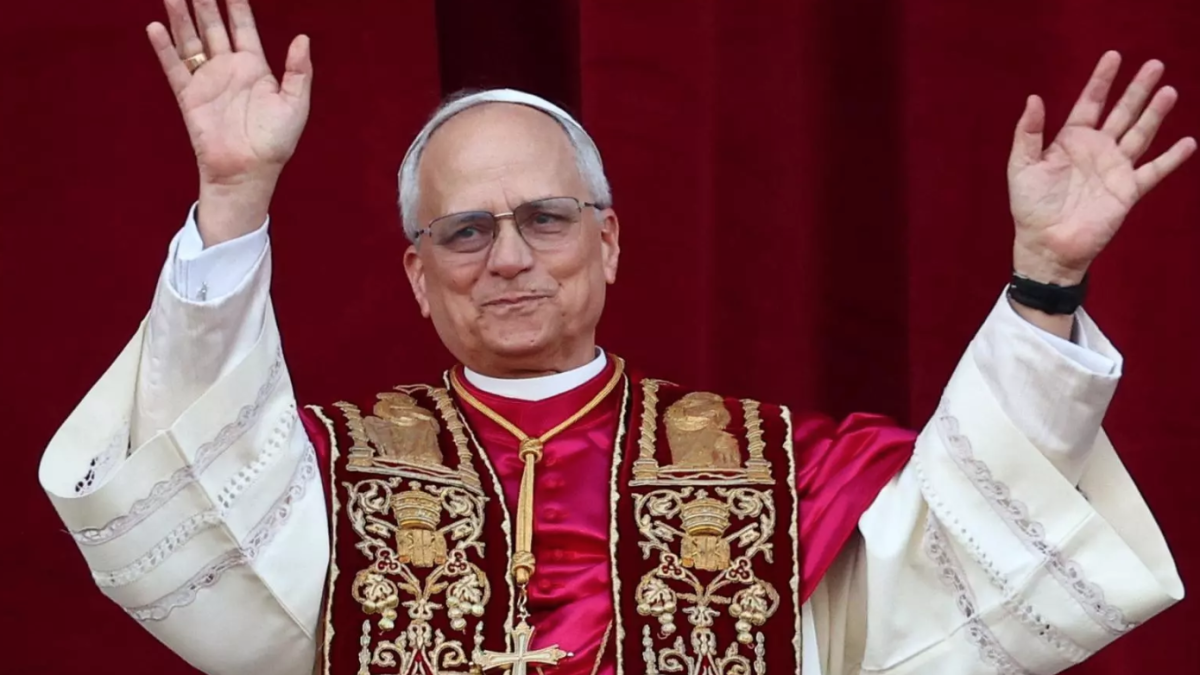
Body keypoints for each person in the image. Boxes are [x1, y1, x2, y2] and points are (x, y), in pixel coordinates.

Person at [36, 0, 1194, 673]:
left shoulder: (779, 470)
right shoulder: (322, 473)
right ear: (417, 276)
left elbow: (962, 562)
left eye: (545, 217)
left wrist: (1047, 278)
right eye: (463, 231)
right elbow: (195, 534)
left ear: (610, 243)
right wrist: (233, 201)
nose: (508, 257)